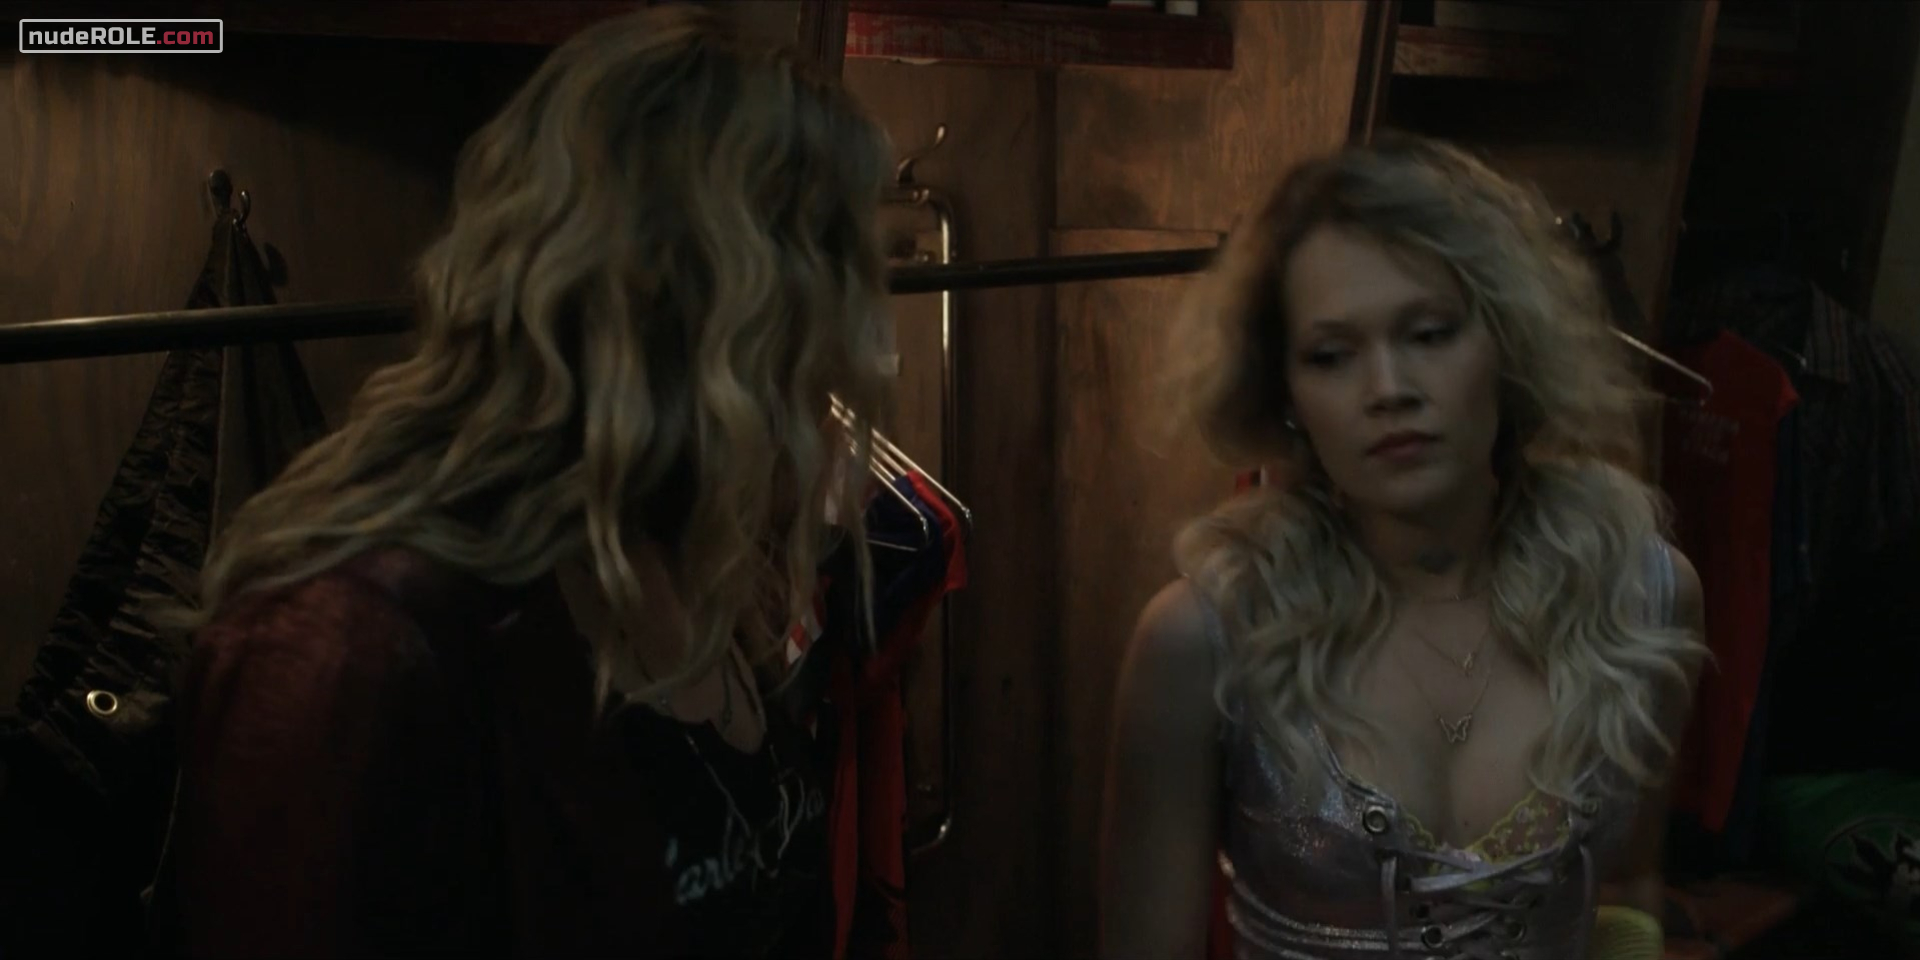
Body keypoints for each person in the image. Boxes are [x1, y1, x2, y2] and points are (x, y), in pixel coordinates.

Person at [151, 6, 898, 958]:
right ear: (687, 304)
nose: (853, 350)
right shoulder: (355, 644)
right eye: (821, 288)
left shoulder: (681, 555)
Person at [1099, 135, 1709, 960]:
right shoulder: (1204, 638)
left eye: (1428, 333)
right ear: (1285, 393)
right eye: (1331, 356)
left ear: (1507, 343)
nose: (1387, 389)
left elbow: (1629, 889)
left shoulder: (1641, 595)